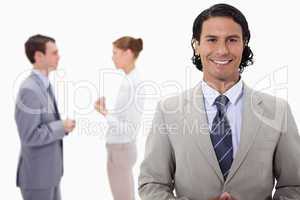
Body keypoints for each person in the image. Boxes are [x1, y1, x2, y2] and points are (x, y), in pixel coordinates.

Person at [138, 3, 300, 200]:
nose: (222, 50)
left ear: (244, 43)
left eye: (232, 40)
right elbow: (152, 184)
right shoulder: (168, 111)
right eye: (212, 40)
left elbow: (294, 186)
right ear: (196, 45)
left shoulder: (278, 110)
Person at [15, 34, 76, 200]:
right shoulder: (29, 90)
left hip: (49, 176)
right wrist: (60, 126)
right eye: (54, 53)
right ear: (38, 56)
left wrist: (64, 127)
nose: (59, 56)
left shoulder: (43, 85)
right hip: (37, 179)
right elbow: (29, 136)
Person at [95, 36, 144, 200]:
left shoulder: (133, 83)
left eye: (115, 53)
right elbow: (124, 119)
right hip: (119, 148)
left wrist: (105, 113)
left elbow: (128, 129)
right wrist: (107, 112)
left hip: (121, 149)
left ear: (128, 53)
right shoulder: (129, 80)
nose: (112, 57)